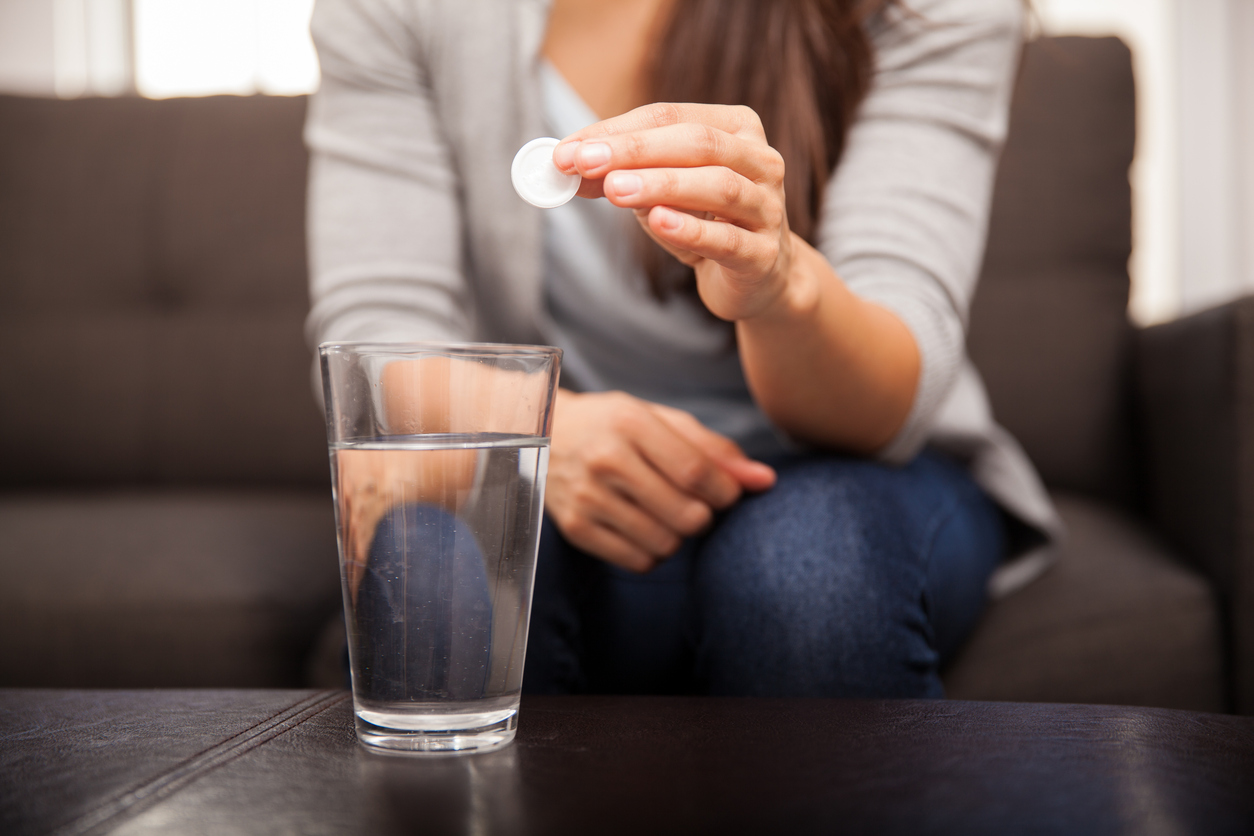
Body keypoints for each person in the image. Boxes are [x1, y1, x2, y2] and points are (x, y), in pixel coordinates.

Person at [305, 0, 1062, 698]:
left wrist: (777, 285)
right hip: (553, 474)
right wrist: (543, 432)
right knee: (429, 568)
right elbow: (372, 342)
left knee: (812, 571)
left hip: (855, 469)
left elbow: (890, 394)